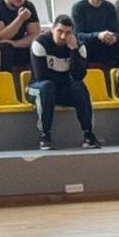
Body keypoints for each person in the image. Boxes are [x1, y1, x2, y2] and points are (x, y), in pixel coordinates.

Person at [26, 14, 101, 151]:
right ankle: (45, 136)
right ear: (52, 29)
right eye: (60, 31)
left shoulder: (79, 47)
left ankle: (88, 134)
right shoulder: (40, 43)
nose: (63, 37)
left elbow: (79, 76)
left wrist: (74, 51)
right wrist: (65, 79)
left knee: (79, 87)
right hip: (37, 88)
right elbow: (41, 76)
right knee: (47, 87)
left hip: (61, 88)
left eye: (67, 33)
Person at [71, 0, 119, 68]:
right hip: (88, 44)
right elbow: (78, 35)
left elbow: (118, 32)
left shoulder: (110, 8)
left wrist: (114, 38)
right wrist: (98, 35)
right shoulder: (78, 8)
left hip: (106, 44)